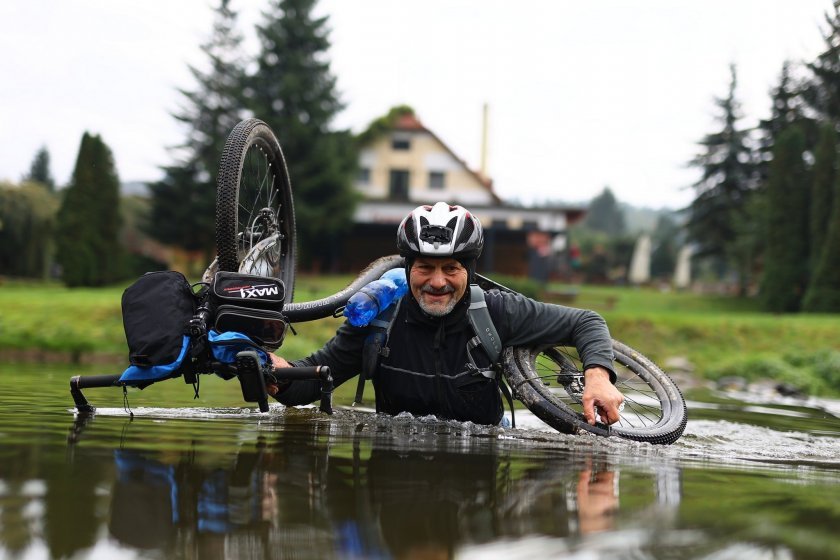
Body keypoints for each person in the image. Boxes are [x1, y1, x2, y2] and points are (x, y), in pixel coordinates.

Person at [268, 202, 623, 426]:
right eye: (424, 267)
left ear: (468, 269)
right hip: (395, 485)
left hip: (479, 473)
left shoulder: (496, 311)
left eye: (451, 268)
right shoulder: (379, 319)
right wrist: (276, 375)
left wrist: (598, 377)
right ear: (407, 269)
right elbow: (313, 383)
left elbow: (586, 321)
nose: (437, 282)